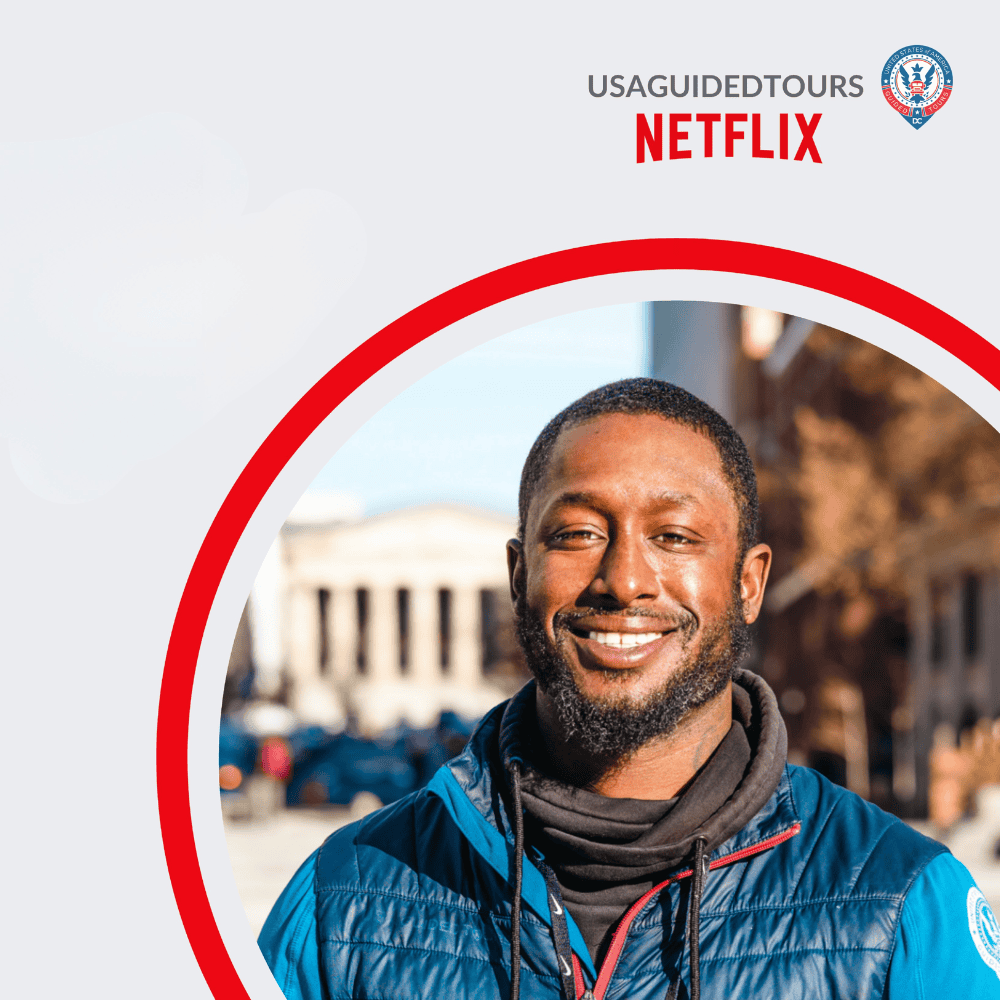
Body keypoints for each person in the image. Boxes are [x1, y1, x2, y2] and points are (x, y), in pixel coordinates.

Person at [260, 378, 1000, 999]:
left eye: (674, 536)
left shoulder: (900, 904)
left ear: (748, 584)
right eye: (578, 534)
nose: (624, 580)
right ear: (519, 576)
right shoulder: (339, 903)